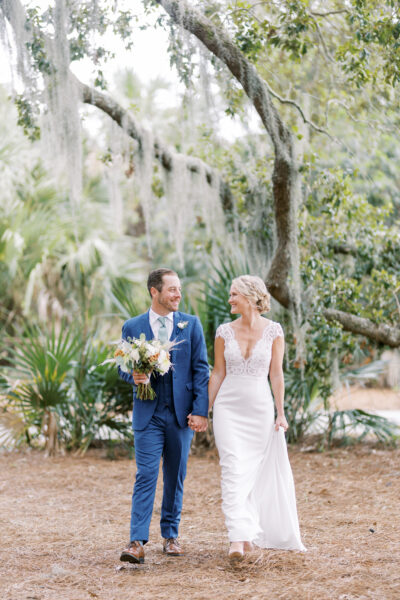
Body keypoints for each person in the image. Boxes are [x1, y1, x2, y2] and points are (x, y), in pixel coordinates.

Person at [209, 275, 306, 560]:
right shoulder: (223, 331)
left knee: (252, 472)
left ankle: (247, 532)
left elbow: (276, 374)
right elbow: (217, 373)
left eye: (234, 294)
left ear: (250, 297)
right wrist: (205, 409)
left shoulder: (274, 331)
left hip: (260, 410)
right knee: (232, 467)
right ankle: (237, 538)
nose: (229, 300)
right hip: (228, 407)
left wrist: (281, 412)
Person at [118, 268, 209, 564]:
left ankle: (171, 536)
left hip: (181, 415)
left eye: (179, 289)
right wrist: (134, 375)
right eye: (172, 289)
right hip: (148, 415)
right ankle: (136, 541)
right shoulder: (132, 326)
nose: (178, 295)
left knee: (175, 476)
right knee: (146, 474)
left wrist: (199, 410)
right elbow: (121, 367)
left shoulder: (191, 325)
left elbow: (200, 369)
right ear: (154, 292)